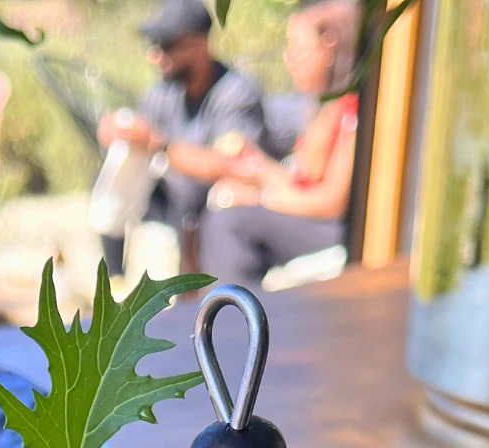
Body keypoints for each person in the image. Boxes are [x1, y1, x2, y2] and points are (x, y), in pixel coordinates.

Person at [199, 0, 362, 289]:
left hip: (341, 231)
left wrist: (261, 199)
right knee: (223, 205)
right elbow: (303, 183)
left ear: (329, 45)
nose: (289, 60)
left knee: (232, 224)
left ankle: (233, 325)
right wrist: (257, 167)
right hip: (319, 219)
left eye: (298, 50)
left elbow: (332, 201)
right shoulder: (324, 105)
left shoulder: (353, 108)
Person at [96, 0, 266, 270]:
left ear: (200, 45)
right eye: (153, 45)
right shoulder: (164, 91)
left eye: (166, 45)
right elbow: (141, 138)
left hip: (213, 210)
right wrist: (115, 133)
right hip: (170, 201)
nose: (156, 56)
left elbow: (234, 168)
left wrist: (157, 145)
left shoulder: (235, 93)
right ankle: (113, 278)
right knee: (117, 168)